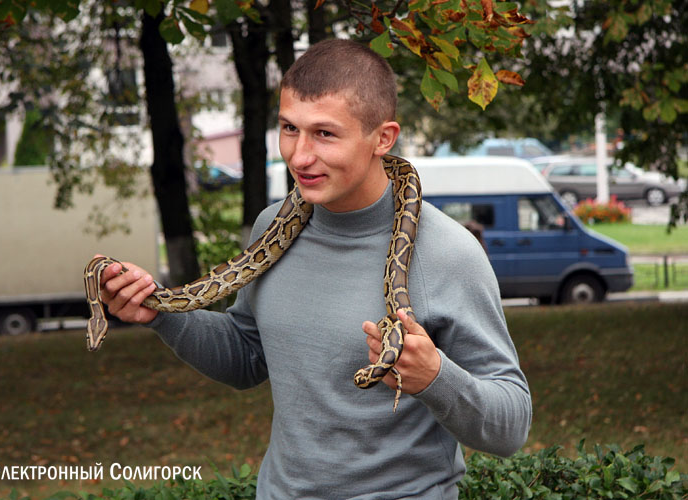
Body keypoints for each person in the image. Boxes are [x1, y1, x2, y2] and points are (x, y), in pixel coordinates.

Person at [98, 39, 532, 499]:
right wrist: (162, 313)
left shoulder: (449, 253)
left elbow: (511, 426)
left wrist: (434, 377)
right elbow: (247, 357)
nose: (299, 156)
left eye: (324, 134)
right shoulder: (272, 230)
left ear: (383, 138)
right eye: (289, 128)